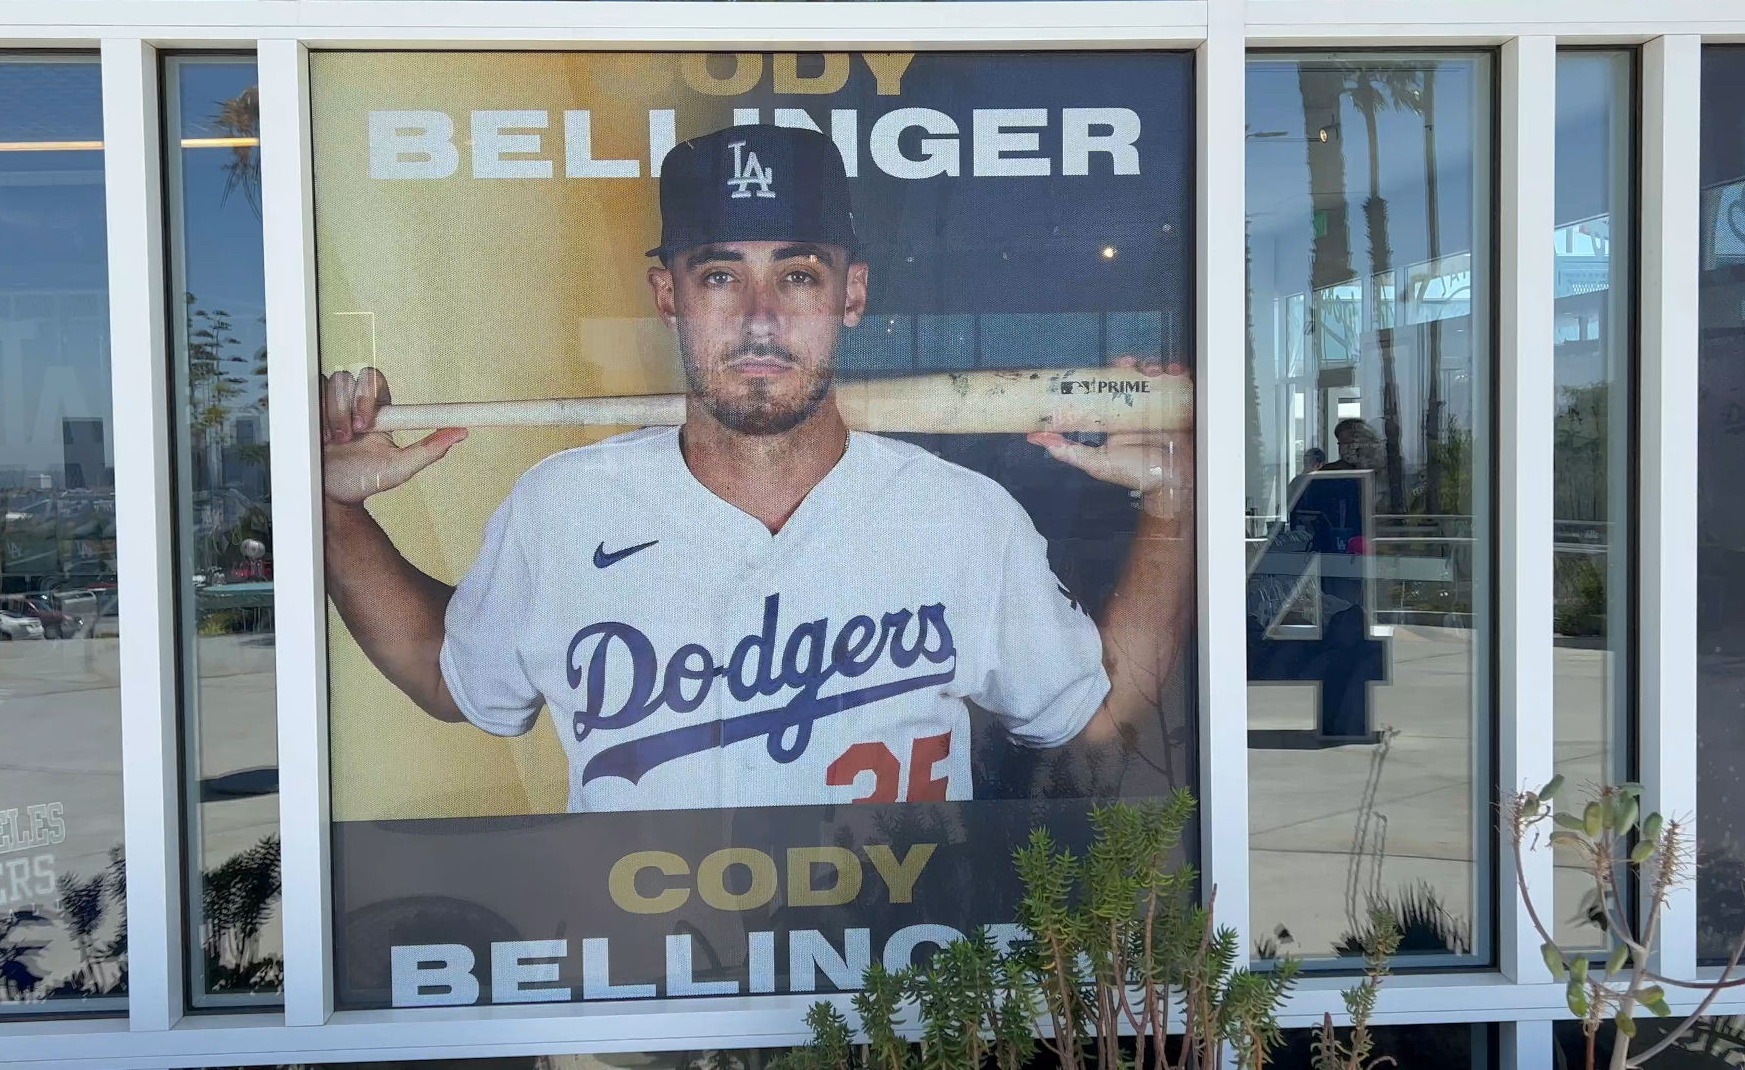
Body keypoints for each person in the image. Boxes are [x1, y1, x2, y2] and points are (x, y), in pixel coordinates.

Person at [320, 124, 1194, 812]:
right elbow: (449, 671)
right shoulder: (562, 508)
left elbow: (1097, 709)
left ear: (852, 294)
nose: (762, 318)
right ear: (670, 296)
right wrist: (331, 509)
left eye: (801, 275)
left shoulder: (962, 517)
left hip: (887, 1015)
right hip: (647, 1008)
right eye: (721, 277)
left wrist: (1173, 515)